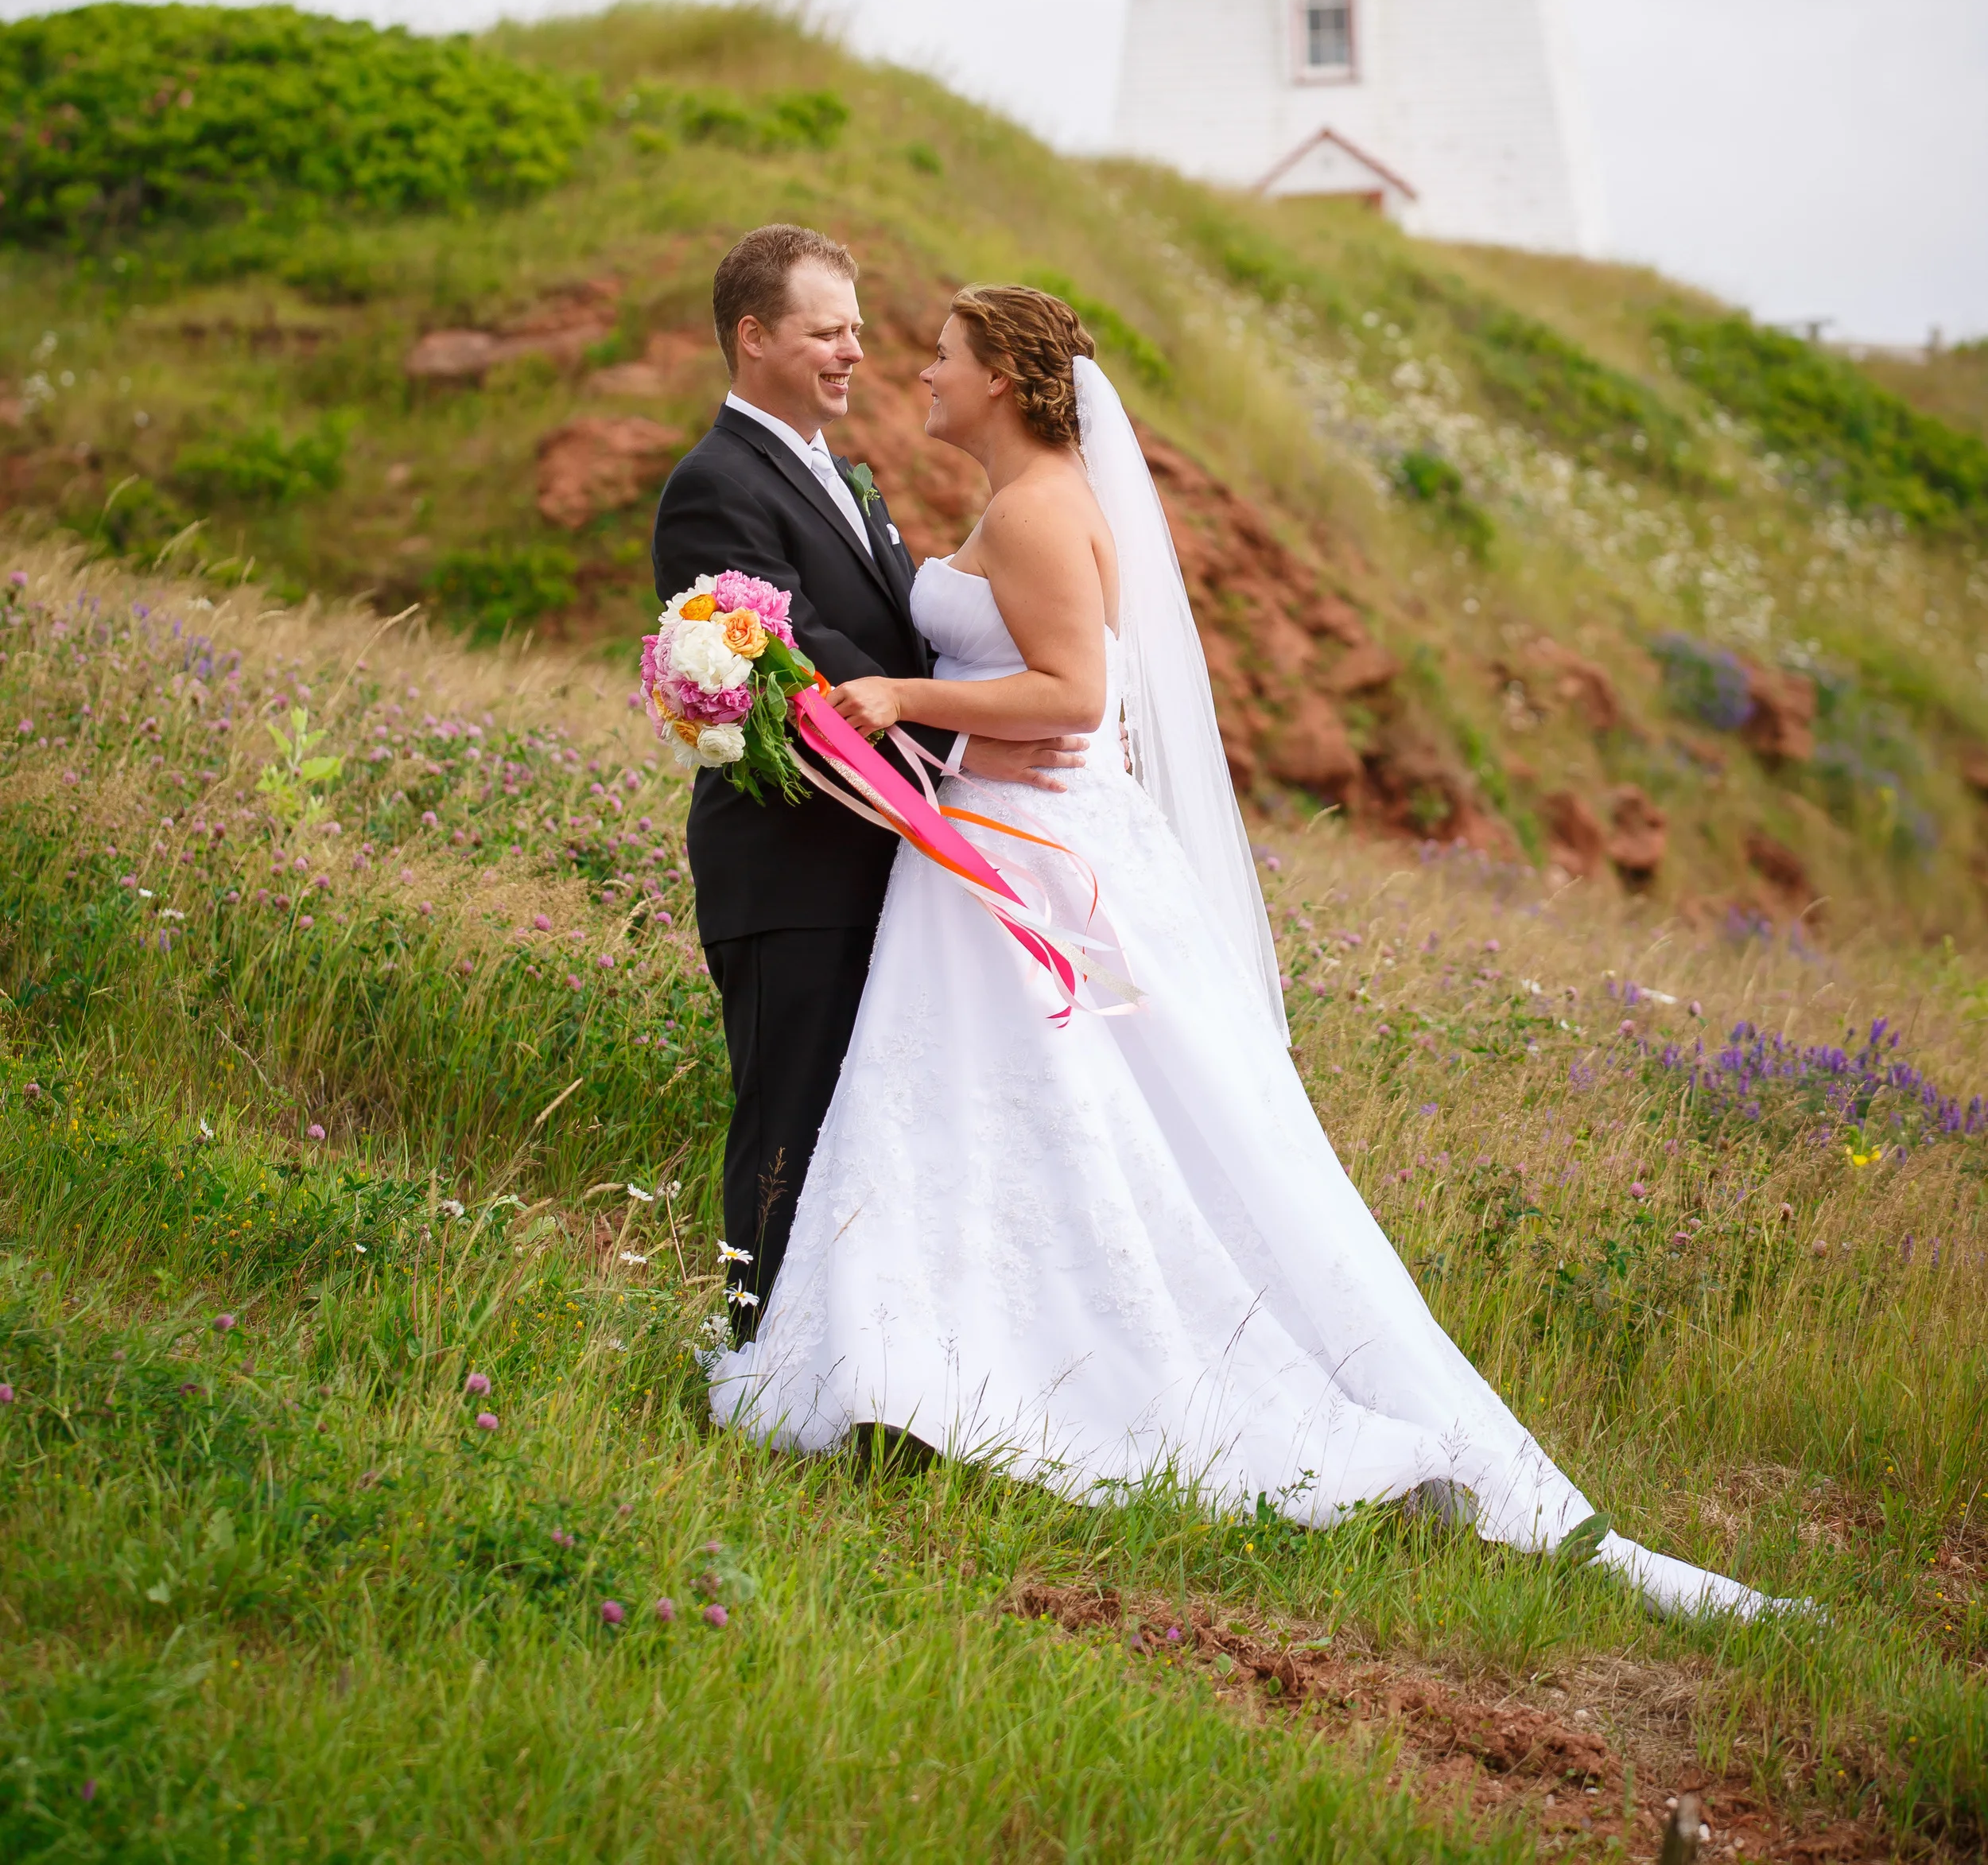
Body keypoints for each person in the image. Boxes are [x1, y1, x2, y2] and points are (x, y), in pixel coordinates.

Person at [706, 282, 1792, 1622]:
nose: (920, 371)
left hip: (1034, 856)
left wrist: (901, 695)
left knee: (1061, 1119)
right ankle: (920, 1367)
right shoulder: (1018, 500)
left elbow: (1073, 696)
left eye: (944, 354)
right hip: (990, 849)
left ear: (1005, 377)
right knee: (1000, 1125)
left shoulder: (1042, 508)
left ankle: (1016, 1375)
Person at [650, 227, 1086, 1327]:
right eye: (825, 330)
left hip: (881, 858)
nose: (854, 351)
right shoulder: (713, 486)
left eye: (855, 328)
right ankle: (754, 1345)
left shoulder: (845, 474)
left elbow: (894, 650)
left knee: (869, 1123)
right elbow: (799, 664)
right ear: (755, 338)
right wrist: (960, 745)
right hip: (791, 865)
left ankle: (848, 1354)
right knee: (787, 1116)